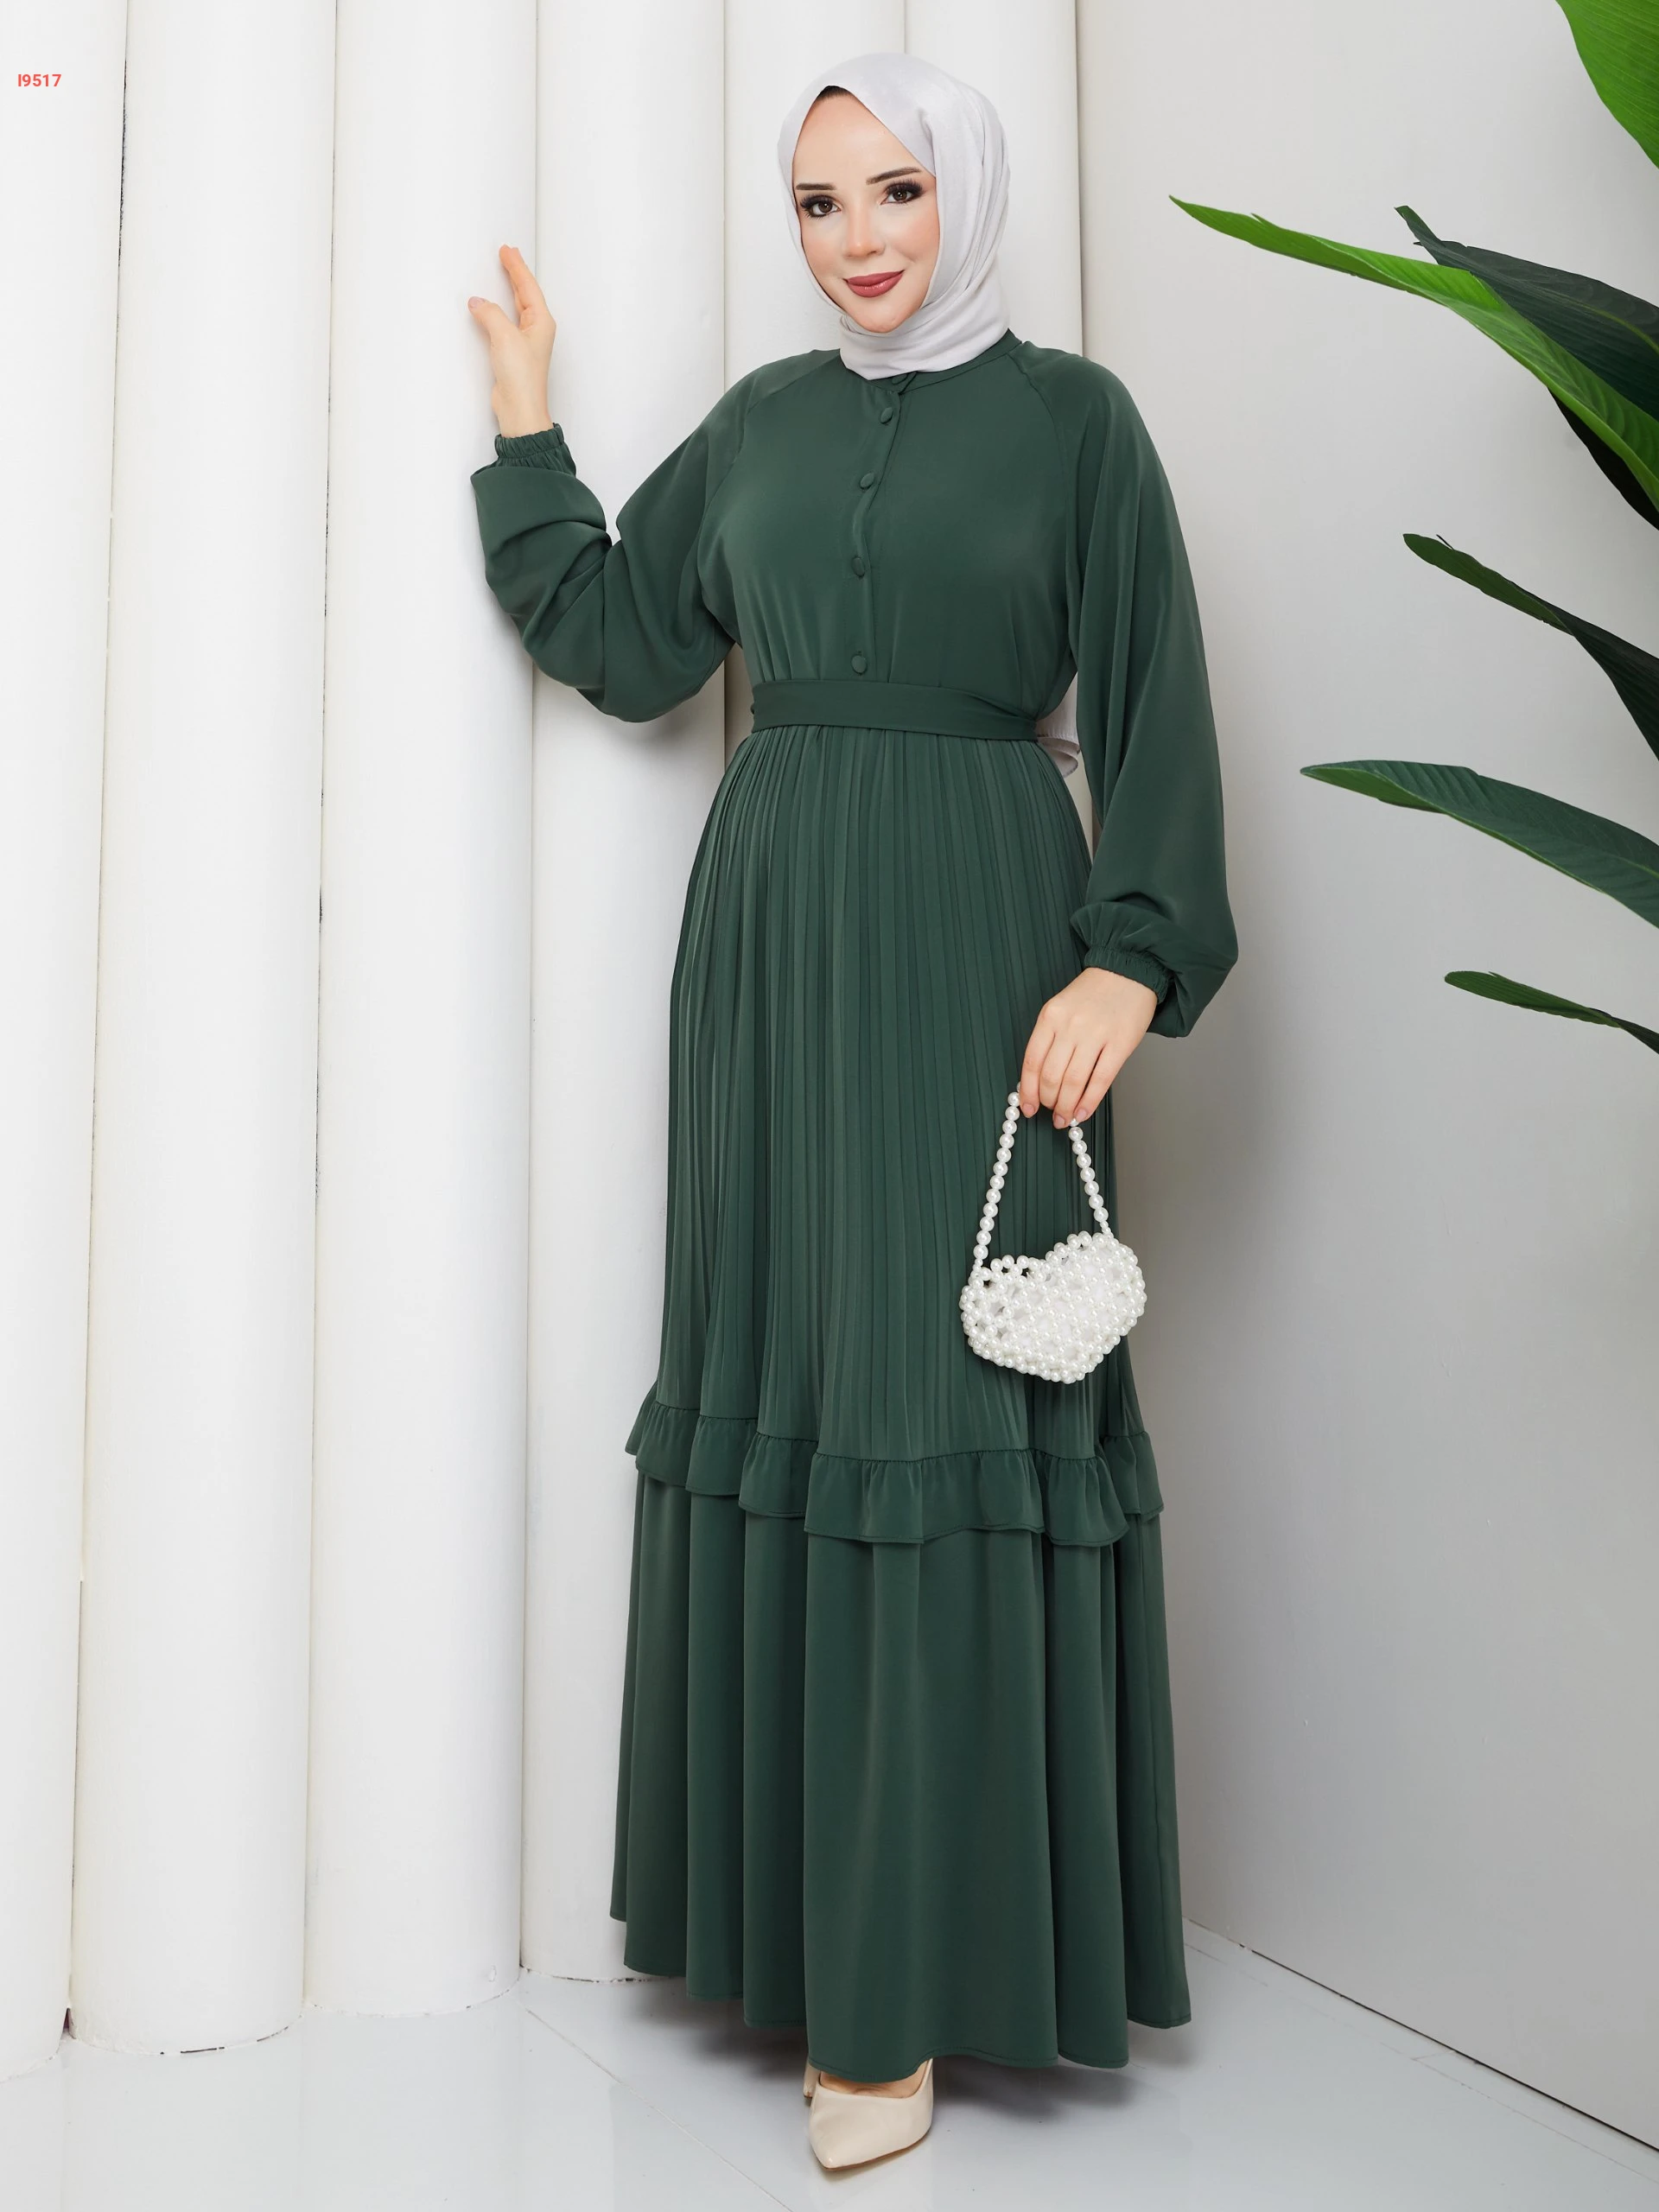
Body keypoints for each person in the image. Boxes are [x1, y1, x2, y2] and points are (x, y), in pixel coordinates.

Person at [467, 50, 1236, 2172]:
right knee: (799, 1388)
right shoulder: (763, 424)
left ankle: (903, 1992)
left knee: (943, 1398)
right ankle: (794, 1930)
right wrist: (528, 429)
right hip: (771, 955)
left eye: (897, 187)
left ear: (962, 189)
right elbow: (623, 635)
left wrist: (1131, 952)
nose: (861, 236)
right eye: (820, 202)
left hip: (987, 948)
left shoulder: (1078, 424)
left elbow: (1158, 695)